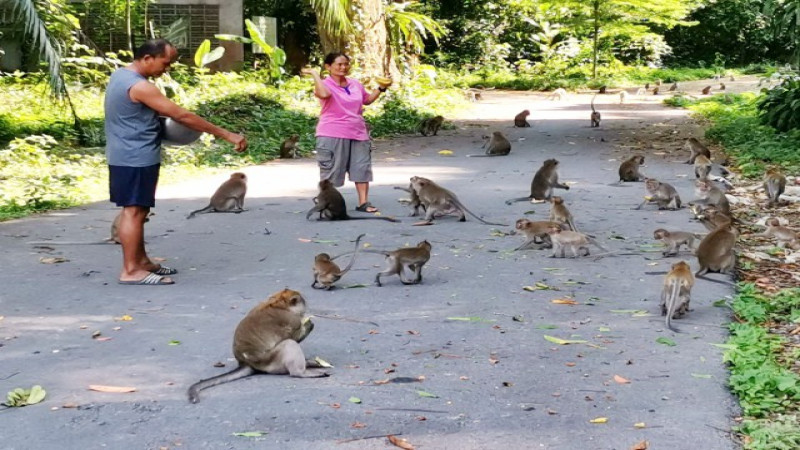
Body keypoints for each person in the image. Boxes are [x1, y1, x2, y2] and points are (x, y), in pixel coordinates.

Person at [105, 39, 247, 285]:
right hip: (134, 156)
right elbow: (180, 115)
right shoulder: (140, 87)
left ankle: (141, 262)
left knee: (140, 209)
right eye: (165, 62)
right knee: (134, 211)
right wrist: (227, 134)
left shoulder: (120, 76)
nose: (167, 68)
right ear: (148, 58)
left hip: (127, 153)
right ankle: (130, 270)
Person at [301, 52, 389, 213]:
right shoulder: (324, 84)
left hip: (358, 132)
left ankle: (364, 203)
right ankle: (327, 203)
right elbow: (324, 94)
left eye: (346, 64)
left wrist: (382, 88)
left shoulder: (355, 84)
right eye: (339, 64)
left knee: (361, 167)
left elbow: (367, 100)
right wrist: (315, 75)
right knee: (331, 170)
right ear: (328, 67)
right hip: (332, 132)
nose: (343, 67)